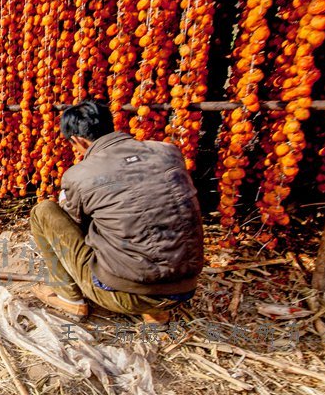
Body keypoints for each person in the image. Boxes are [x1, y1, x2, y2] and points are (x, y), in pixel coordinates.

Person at [29, 100, 205, 323]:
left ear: (77, 140)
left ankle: (71, 299)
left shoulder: (80, 174)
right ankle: (156, 310)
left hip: (123, 295)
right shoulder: (167, 152)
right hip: (183, 288)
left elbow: (75, 225)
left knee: (44, 211)